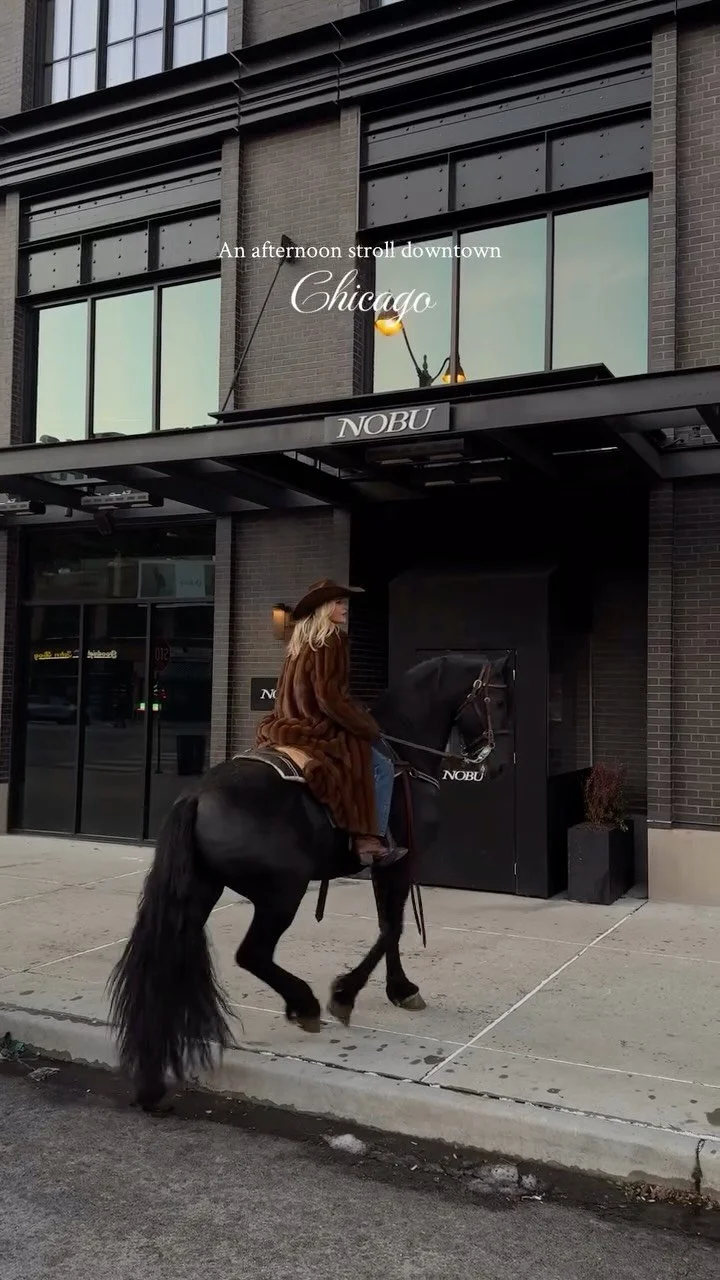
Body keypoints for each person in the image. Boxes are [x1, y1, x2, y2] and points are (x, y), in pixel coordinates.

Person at [255, 579, 401, 865]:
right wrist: (367, 726)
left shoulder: (298, 644)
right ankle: (369, 838)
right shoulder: (333, 640)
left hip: (288, 725)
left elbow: (286, 693)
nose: (344, 608)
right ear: (324, 608)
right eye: (338, 602)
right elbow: (329, 698)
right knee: (381, 766)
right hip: (317, 728)